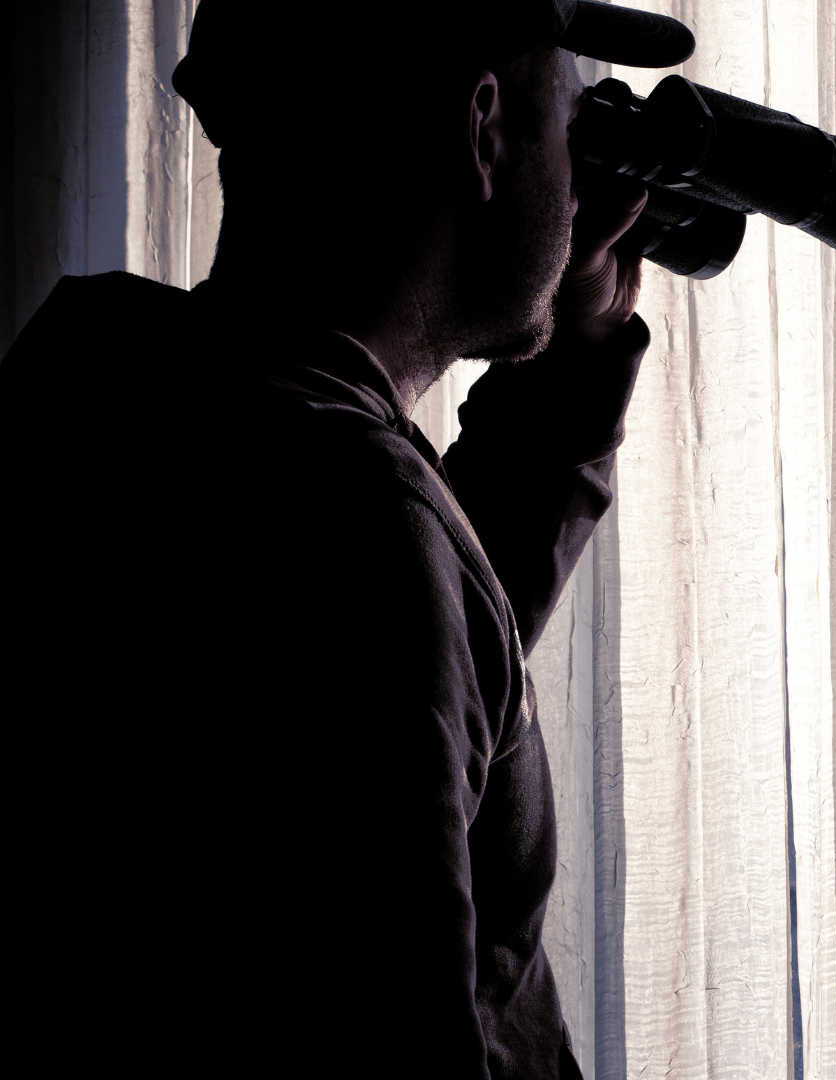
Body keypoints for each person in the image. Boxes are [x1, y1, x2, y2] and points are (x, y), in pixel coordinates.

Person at [0, 2, 688, 1076]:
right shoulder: (355, 521)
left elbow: (437, 667)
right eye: (571, 127)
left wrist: (576, 363)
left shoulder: (108, 380)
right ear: (483, 128)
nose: (581, 186)